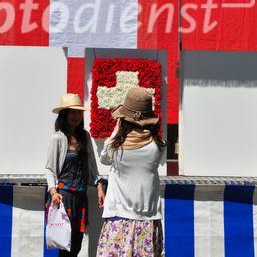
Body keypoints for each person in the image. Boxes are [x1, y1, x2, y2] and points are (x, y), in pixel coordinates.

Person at [97, 86, 166, 257]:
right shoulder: (158, 147)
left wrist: (115, 132)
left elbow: (104, 159)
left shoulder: (115, 147)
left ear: (123, 118)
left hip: (118, 218)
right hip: (148, 221)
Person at [45, 93, 105, 256]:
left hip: (80, 196)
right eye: (72, 112)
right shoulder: (58, 138)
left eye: (79, 112)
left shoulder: (85, 136)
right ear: (64, 114)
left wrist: (99, 186)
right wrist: (53, 191)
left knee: (77, 244)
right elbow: (49, 169)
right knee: (65, 244)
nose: (76, 116)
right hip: (64, 197)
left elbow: (92, 165)